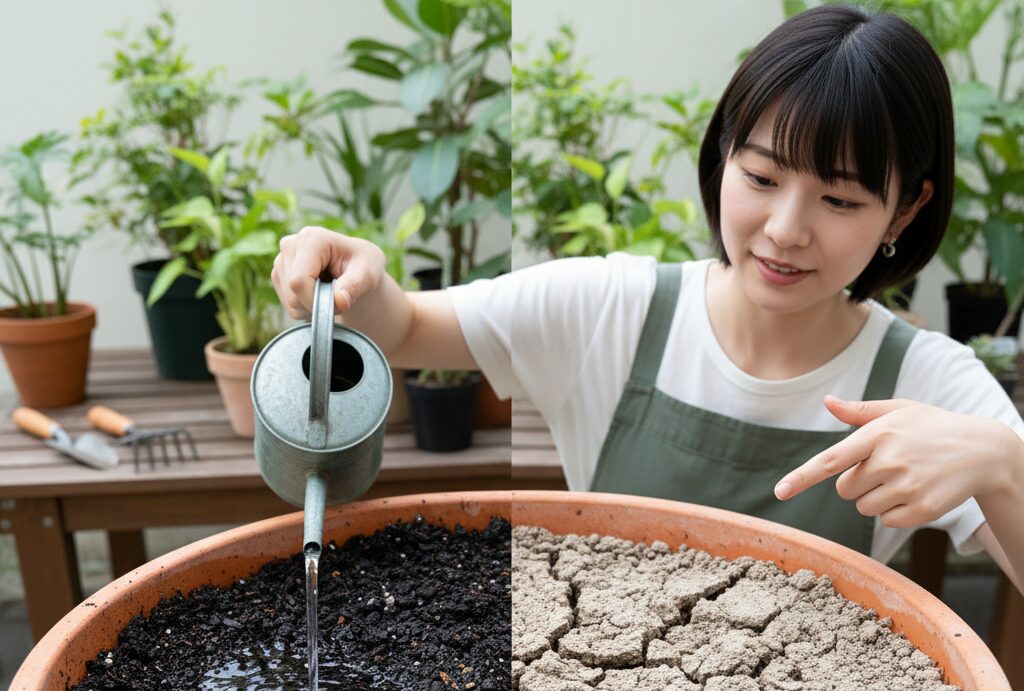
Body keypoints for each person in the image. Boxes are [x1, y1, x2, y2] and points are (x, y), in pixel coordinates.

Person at [272, 4, 1024, 597]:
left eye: (838, 199)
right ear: (722, 152)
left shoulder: (931, 384)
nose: (785, 231)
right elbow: (403, 328)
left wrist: (1000, 464)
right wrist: (348, 278)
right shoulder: (612, 309)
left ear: (903, 211)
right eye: (761, 179)